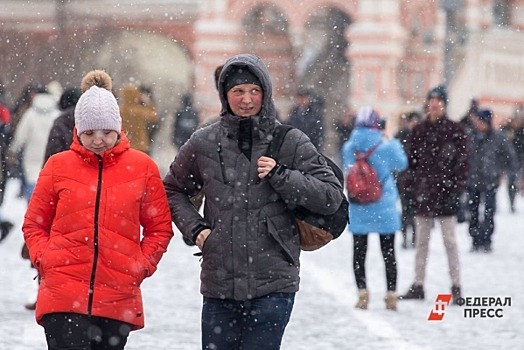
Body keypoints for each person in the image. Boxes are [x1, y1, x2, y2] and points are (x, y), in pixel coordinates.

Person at [163, 53, 344, 350]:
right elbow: (173, 189)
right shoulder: (203, 141)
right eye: (238, 91)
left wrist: (281, 175)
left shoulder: (290, 141)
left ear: (265, 93)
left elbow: (330, 195)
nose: (246, 99)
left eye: (254, 91)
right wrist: (196, 230)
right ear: (225, 95)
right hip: (219, 282)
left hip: (273, 282)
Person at [22, 70, 174, 349]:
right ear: (78, 130)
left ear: (118, 127)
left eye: (106, 131)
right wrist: (46, 259)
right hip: (62, 293)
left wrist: (140, 265)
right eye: (89, 133)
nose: (99, 140)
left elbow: (159, 228)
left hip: (117, 296)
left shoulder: (142, 168)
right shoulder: (58, 166)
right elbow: (34, 223)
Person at [399, 85, 468, 304]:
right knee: (422, 242)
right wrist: (410, 188)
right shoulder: (418, 131)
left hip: (446, 193)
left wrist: (456, 190)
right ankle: (418, 284)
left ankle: (456, 286)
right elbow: (409, 163)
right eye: (432, 101)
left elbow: (463, 163)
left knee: (450, 241)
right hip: (424, 193)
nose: (435, 105)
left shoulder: (455, 130)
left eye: (439, 102)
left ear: (444, 105)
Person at [342, 106, 407, 311]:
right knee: (388, 252)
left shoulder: (349, 147)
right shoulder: (385, 146)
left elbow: (347, 166)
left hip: (359, 205)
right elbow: (402, 164)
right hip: (383, 205)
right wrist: (391, 139)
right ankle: (391, 295)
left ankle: (362, 292)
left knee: (359, 252)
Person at [466, 108, 518, 252]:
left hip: (491, 181)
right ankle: (475, 239)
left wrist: (505, 170)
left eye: (482, 121)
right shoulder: (471, 136)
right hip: (473, 180)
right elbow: (463, 156)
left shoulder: (498, 137)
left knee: (489, 212)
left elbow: (510, 156)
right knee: (473, 211)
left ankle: (486, 239)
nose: (479, 125)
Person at [394, 110, 423, 249]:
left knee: (416, 212)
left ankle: (415, 238)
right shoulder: (400, 136)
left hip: (418, 181)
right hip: (404, 180)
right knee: (406, 211)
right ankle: (405, 237)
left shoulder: (423, 137)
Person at [43, 86, 82, 162]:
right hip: (86, 169)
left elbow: (52, 151)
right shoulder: (89, 119)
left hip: (64, 168)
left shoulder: (61, 122)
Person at [119, 83, 158, 155]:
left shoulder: (119, 110)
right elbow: (153, 116)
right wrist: (149, 103)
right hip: (140, 146)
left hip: (123, 146)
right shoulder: (138, 110)